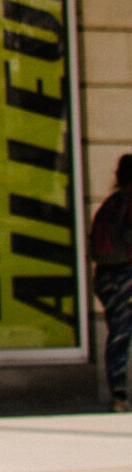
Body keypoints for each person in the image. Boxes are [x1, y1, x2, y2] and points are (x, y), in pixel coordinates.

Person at [89, 153, 132, 414]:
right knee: (121, 333)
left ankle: (119, 392)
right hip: (125, 276)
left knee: (117, 332)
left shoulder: (110, 204)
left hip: (105, 276)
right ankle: (119, 394)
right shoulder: (129, 205)